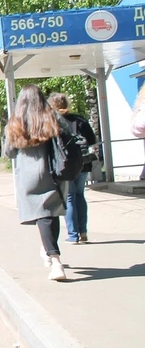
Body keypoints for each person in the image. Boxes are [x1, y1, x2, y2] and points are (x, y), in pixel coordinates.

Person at [3, 84, 69, 281]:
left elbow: (9, 152)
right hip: (52, 173)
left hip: (28, 176)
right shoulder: (52, 118)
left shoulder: (15, 123)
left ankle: (54, 258)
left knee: (43, 216)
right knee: (50, 214)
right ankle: (52, 255)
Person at [47, 93, 97, 244]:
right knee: (80, 195)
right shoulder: (79, 120)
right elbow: (92, 140)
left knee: (70, 197)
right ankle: (83, 232)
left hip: (66, 165)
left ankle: (73, 235)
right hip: (83, 162)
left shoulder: (54, 122)